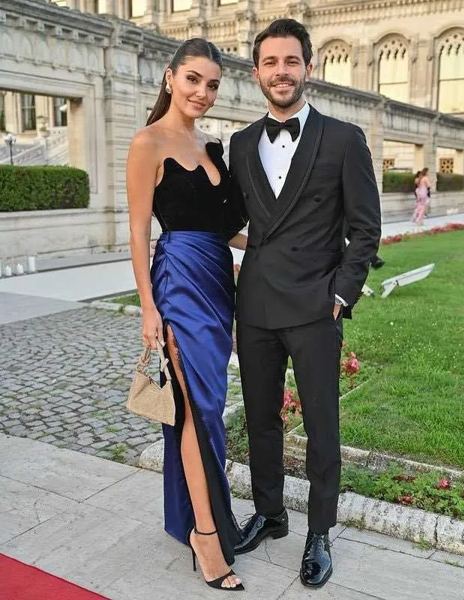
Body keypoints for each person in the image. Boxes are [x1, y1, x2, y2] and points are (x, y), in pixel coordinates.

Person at [225, 19, 381, 589]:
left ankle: (319, 531)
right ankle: (270, 514)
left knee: (321, 425)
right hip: (256, 306)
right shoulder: (241, 143)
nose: (281, 72)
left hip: (317, 307)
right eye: (270, 62)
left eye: (291, 61)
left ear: (308, 68)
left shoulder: (343, 139)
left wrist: (340, 295)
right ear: (256, 72)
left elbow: (365, 229)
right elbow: (234, 221)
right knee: (260, 421)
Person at [126, 38, 247, 592]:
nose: (203, 92)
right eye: (194, 79)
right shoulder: (147, 142)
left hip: (218, 280)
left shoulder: (213, 146)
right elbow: (137, 231)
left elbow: (227, 228)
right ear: (170, 77)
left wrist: (284, 248)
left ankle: (196, 516)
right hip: (178, 281)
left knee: (208, 405)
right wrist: (148, 306)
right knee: (198, 409)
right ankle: (206, 534)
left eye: (213, 84)